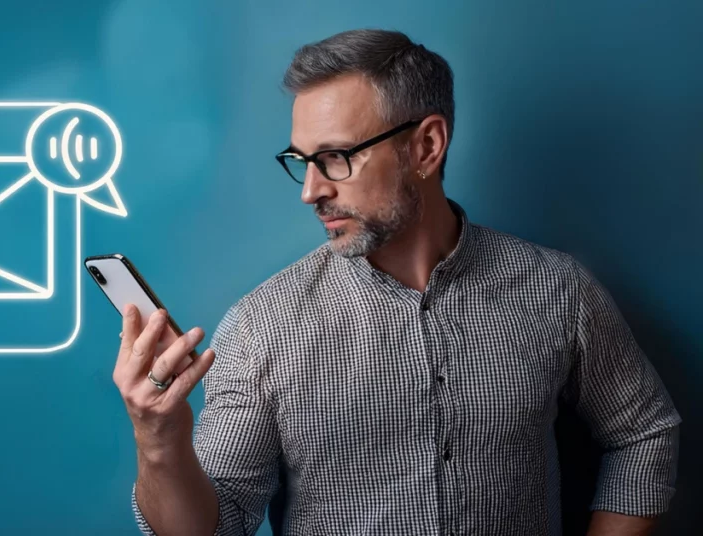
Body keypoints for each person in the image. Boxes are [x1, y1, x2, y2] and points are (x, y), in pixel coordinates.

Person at [111, 28, 680, 536]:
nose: (310, 191)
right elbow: (214, 527)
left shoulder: (557, 290)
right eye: (302, 160)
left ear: (426, 147)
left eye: (335, 157)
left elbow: (643, 432)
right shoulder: (263, 326)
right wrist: (157, 441)